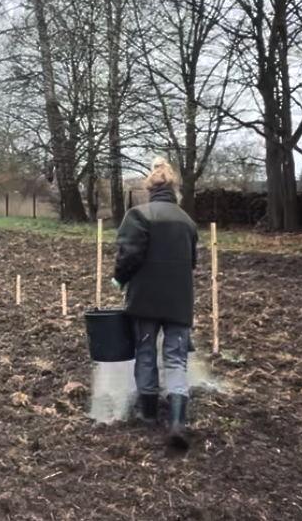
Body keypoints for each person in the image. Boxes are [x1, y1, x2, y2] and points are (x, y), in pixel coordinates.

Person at [112, 157, 198, 448]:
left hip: (146, 301)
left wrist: (119, 278)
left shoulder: (139, 215)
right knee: (175, 357)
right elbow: (193, 263)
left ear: (150, 189)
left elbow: (129, 255)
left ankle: (148, 414)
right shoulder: (188, 221)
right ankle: (176, 421)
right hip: (179, 303)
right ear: (173, 191)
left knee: (146, 351)